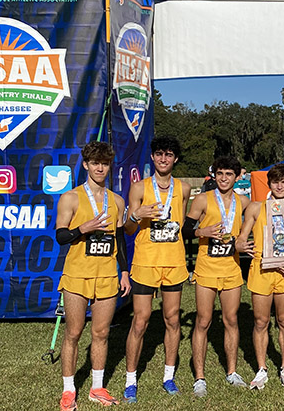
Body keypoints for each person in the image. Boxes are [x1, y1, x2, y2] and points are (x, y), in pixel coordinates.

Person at [55, 141, 131, 411]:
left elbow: (119, 240)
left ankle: (97, 387)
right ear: (86, 165)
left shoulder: (117, 201)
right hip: (77, 275)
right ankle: (68, 391)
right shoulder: (71, 198)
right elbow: (61, 236)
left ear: (110, 166)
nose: (100, 168)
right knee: (74, 332)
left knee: (100, 333)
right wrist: (82, 228)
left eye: (105, 163)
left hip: (108, 276)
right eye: (95, 163)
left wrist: (124, 271)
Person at [122, 136, 191, 402]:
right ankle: (130, 380)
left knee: (173, 320)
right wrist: (137, 216)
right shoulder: (139, 188)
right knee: (140, 321)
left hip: (173, 262)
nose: (164, 159)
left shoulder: (183, 189)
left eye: (169, 154)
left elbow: (184, 224)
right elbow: (128, 228)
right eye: (159, 154)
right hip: (146, 262)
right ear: (152, 157)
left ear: (175, 159)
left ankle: (169, 376)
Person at [236, 163, 284, 390]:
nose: (279, 186)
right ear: (269, 184)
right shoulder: (256, 208)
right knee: (260, 321)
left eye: (283, 182)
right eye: (275, 181)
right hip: (261, 270)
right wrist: (241, 245)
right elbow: (241, 238)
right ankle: (262, 367)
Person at [184, 156, 250, 397]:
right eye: (220, 174)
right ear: (214, 175)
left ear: (236, 176)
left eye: (229, 174)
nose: (224, 178)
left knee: (231, 320)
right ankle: (199, 378)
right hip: (206, 268)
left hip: (231, 269)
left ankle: (232, 372)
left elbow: (263, 214)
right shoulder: (203, 199)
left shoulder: (243, 201)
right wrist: (203, 231)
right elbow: (185, 230)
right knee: (203, 321)